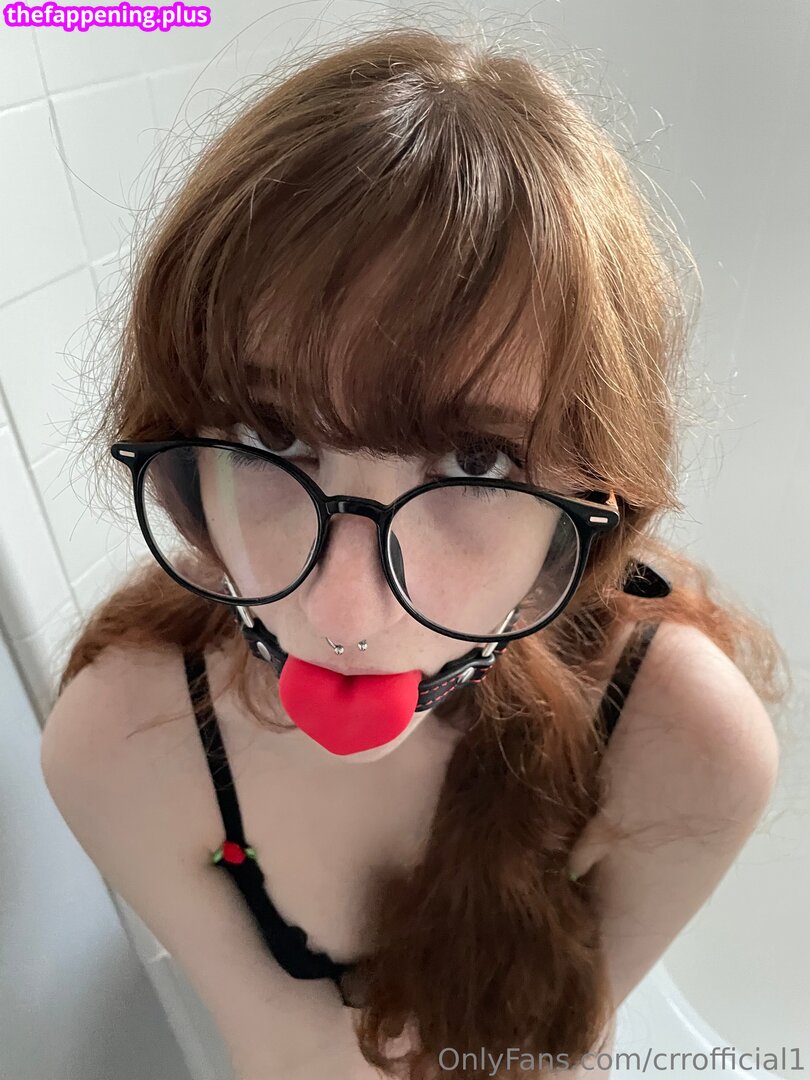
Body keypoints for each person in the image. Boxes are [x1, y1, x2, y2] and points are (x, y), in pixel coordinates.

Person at [39, 24, 789, 1080]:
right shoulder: (122, 746)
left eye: (477, 460)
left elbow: (547, 1056)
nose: (342, 613)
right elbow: (279, 1055)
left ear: (586, 496)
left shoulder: (684, 746)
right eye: (269, 437)